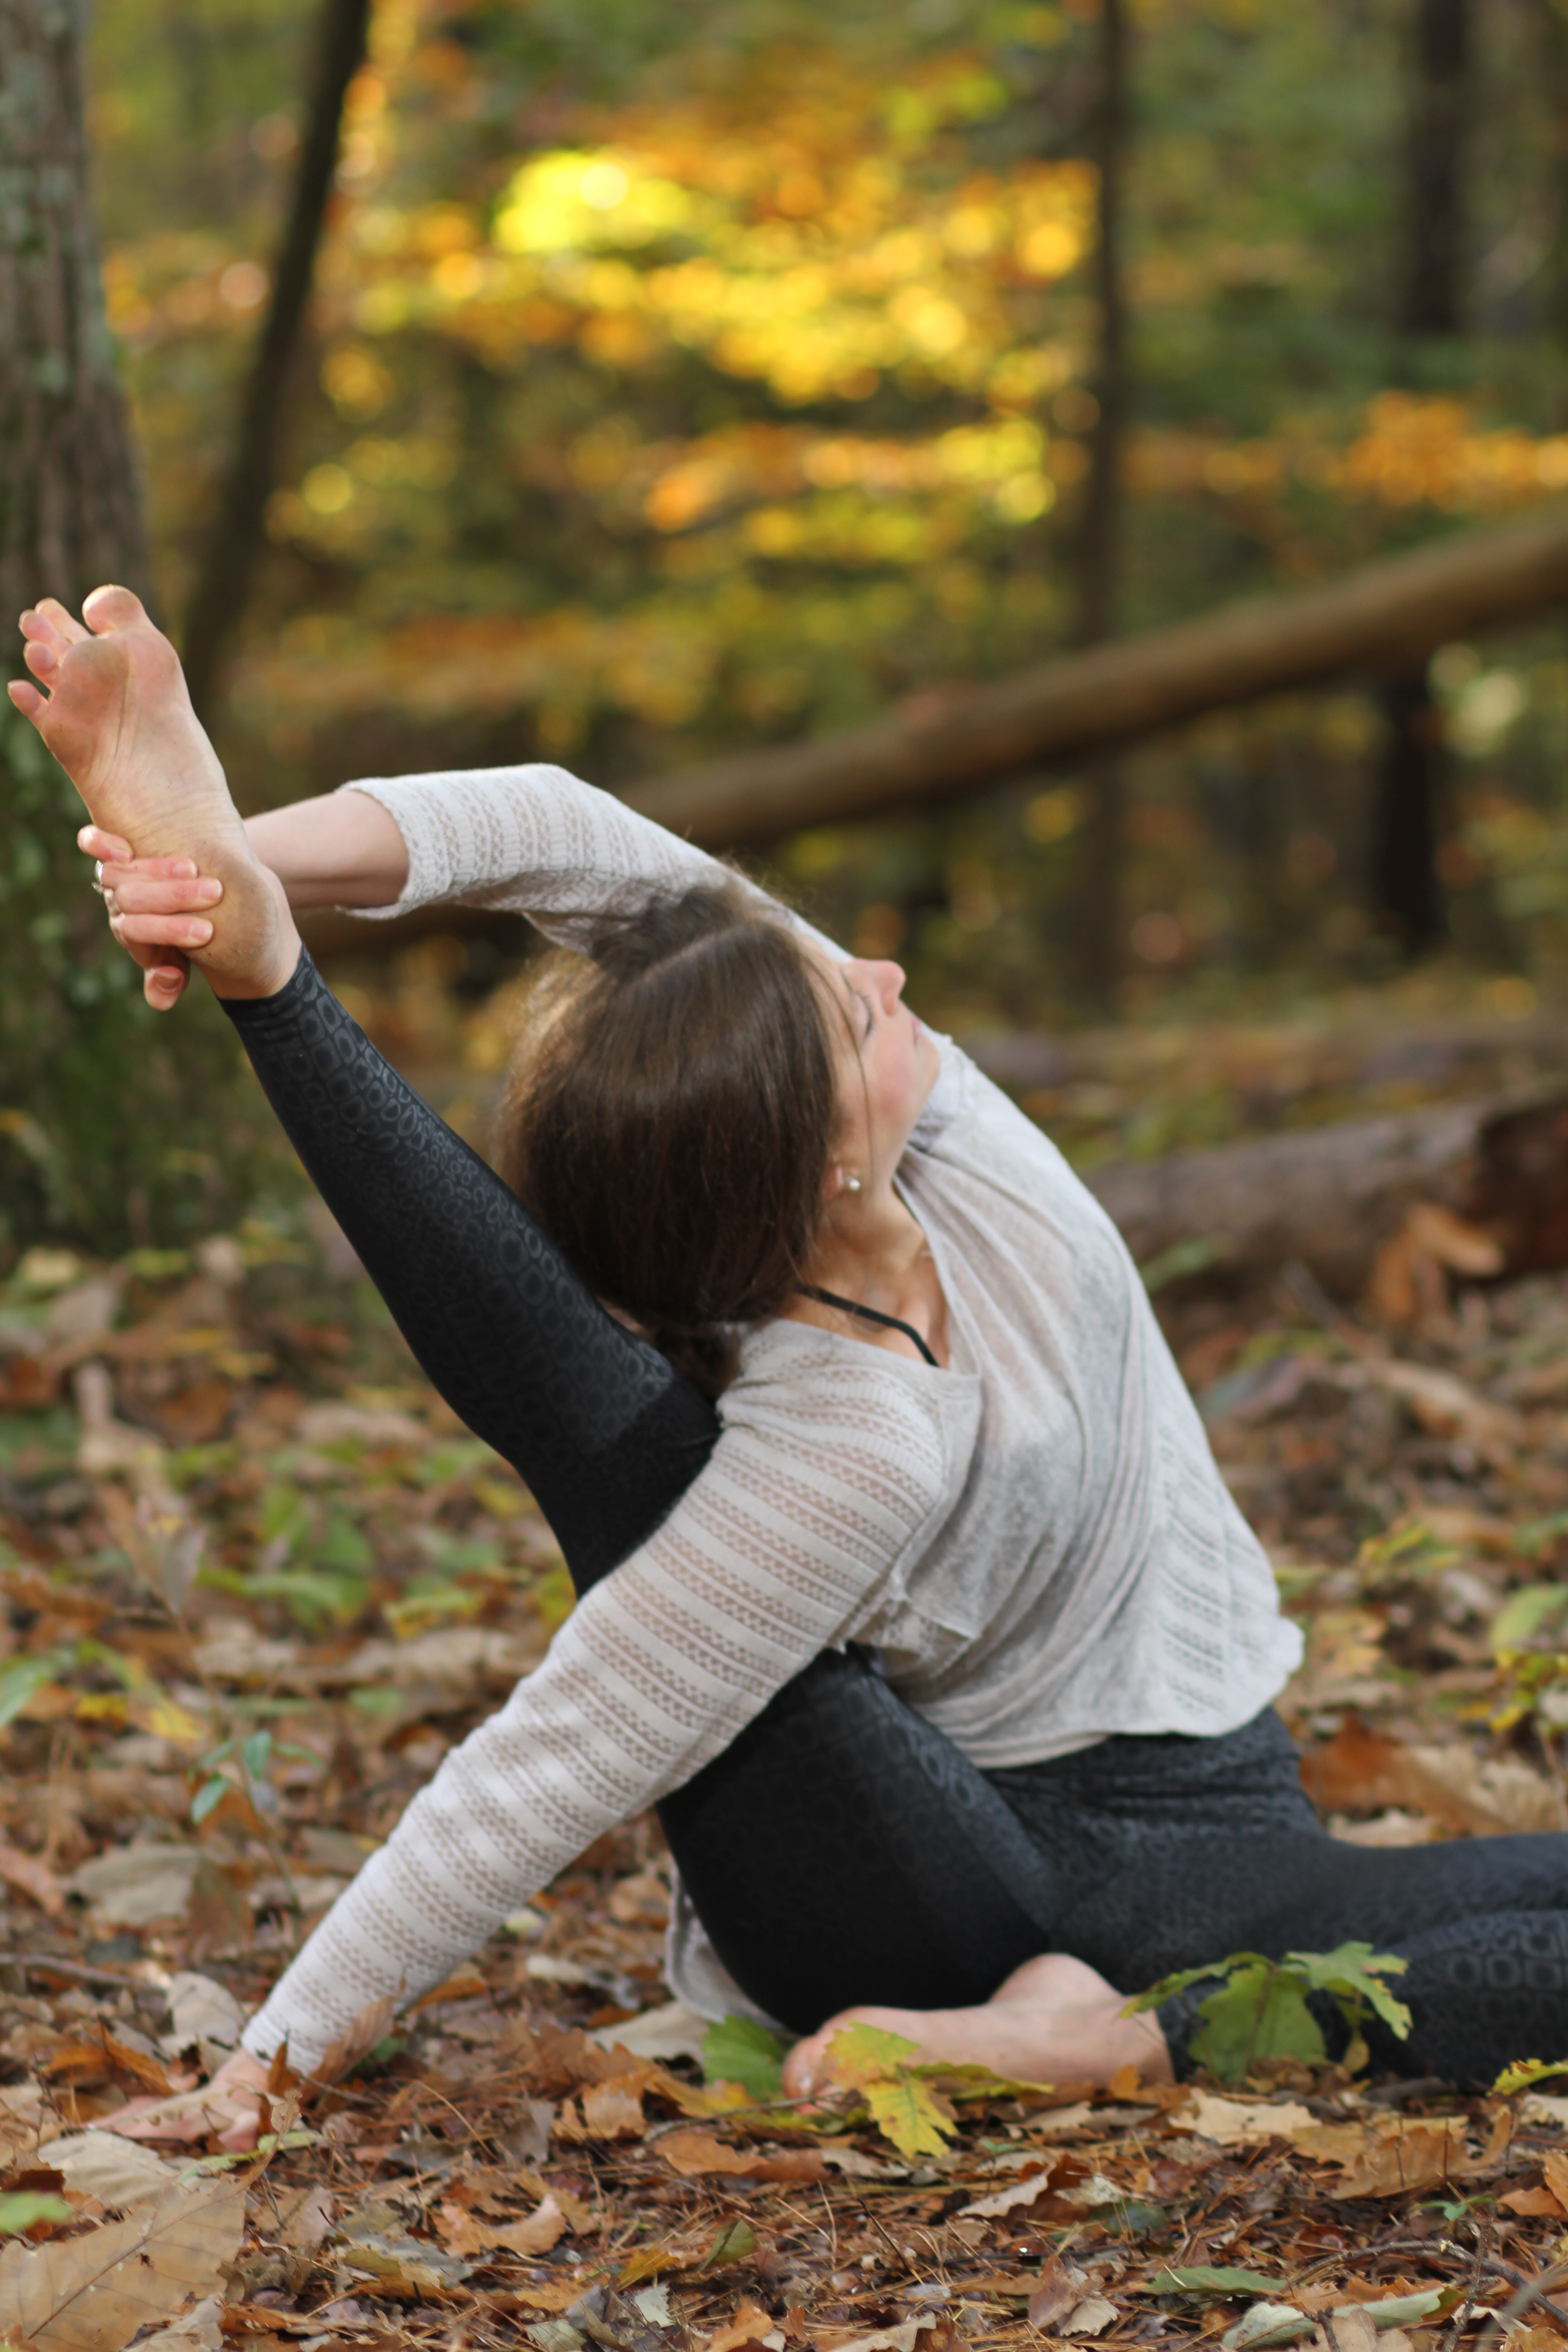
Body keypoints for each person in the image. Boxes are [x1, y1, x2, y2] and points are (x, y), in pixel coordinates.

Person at [13, 588, 1568, 2152]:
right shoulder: (840, 1443)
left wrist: (224, 862)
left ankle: (1098, 2028)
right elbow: (551, 1760)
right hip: (939, 1882)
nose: (884, 972)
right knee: (622, 1461)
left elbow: (564, 828)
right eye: (852, 1008)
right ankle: (1115, 2043)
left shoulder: (927, 1118)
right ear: (821, 1162)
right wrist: (267, 2062)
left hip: (1228, 1831)